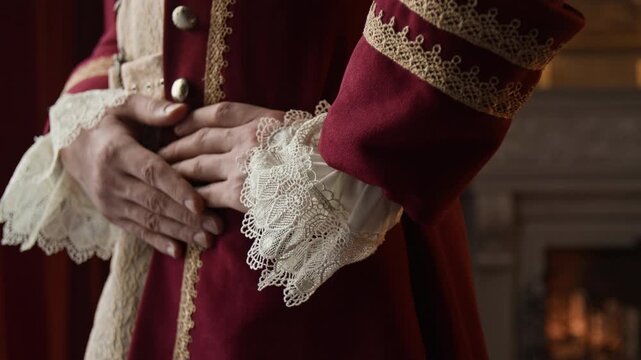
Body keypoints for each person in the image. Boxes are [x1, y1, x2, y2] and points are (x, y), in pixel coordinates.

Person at [0, 0, 585, 359]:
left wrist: (362, 145)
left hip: (332, 268)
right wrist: (83, 120)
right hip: (146, 287)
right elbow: (133, 26)